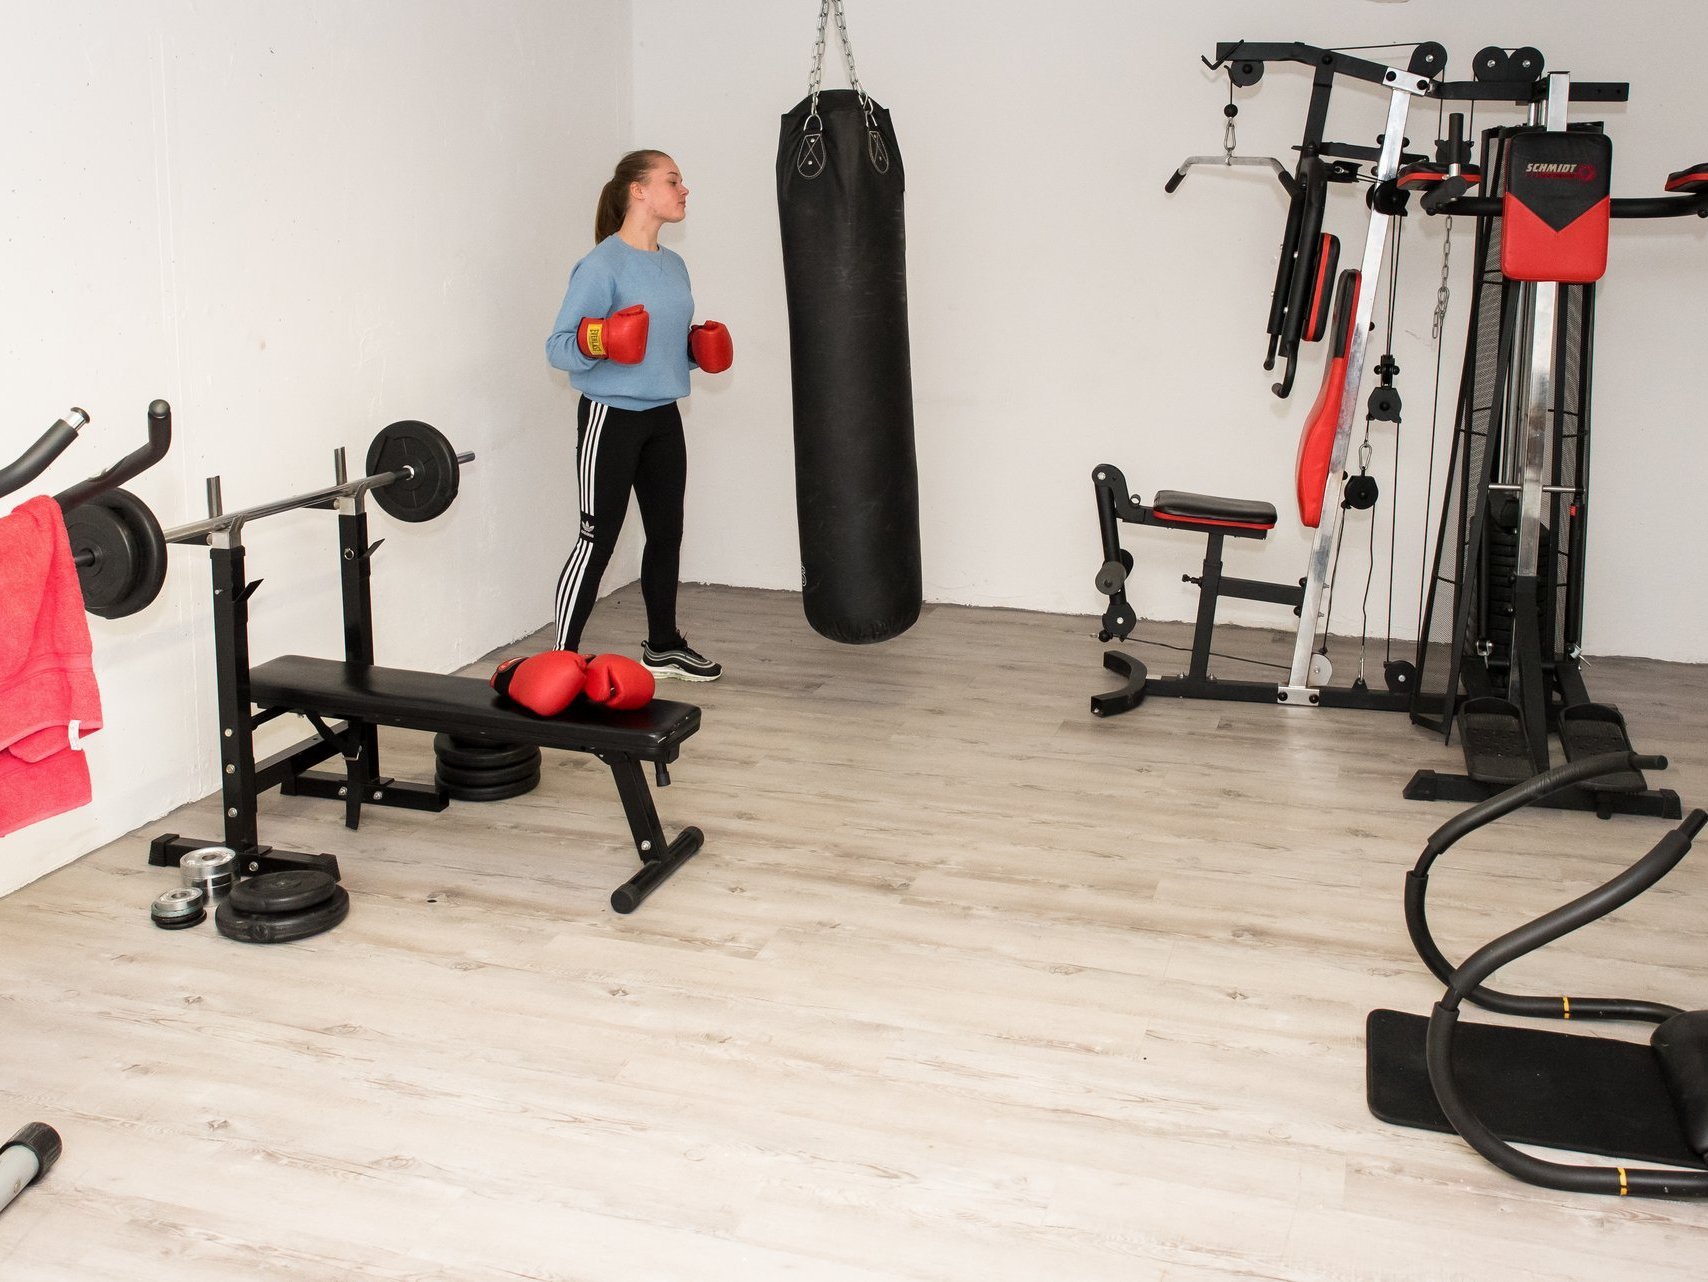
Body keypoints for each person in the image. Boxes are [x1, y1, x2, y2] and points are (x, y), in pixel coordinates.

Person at [544, 149, 734, 682]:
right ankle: (559, 660)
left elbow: (659, 347)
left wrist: (696, 351)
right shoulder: (601, 264)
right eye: (673, 180)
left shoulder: (674, 265)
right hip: (612, 418)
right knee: (595, 541)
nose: (683, 189)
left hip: (663, 417)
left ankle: (663, 645)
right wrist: (602, 338)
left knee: (666, 533)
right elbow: (559, 348)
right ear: (639, 191)